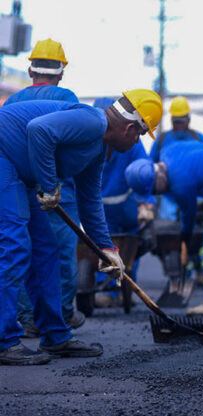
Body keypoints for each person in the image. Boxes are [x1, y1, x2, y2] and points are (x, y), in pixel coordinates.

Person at [0, 90, 163, 365]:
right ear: (129, 128)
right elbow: (38, 130)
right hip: (4, 159)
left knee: (46, 251)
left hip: (20, 173)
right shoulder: (93, 122)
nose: (136, 142)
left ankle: (56, 336)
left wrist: (107, 249)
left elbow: (90, 202)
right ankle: (4, 340)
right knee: (15, 247)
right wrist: (50, 186)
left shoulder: (98, 150)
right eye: (139, 135)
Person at [4, 38, 84, 336]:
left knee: (22, 251)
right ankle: (60, 315)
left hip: (20, 187)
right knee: (60, 251)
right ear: (61, 71)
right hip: (59, 188)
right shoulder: (67, 98)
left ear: (30, 71)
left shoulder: (13, 101)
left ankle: (27, 319)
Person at [125, 141, 203, 316]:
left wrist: (184, 238)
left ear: (158, 178)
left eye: (154, 190)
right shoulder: (168, 152)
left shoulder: (180, 184)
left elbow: (189, 216)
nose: (157, 194)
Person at [92, 97, 156, 308]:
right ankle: (120, 289)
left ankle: (112, 290)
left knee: (109, 246)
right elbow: (144, 168)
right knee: (126, 247)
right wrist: (145, 202)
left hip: (110, 207)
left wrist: (145, 202)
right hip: (111, 207)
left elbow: (143, 168)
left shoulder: (97, 138)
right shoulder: (123, 139)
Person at [149, 96, 203, 220]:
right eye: (176, 121)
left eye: (182, 120)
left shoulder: (200, 140)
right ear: (171, 119)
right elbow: (150, 168)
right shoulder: (162, 141)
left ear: (188, 119)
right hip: (169, 198)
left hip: (195, 196)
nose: (179, 124)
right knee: (167, 232)